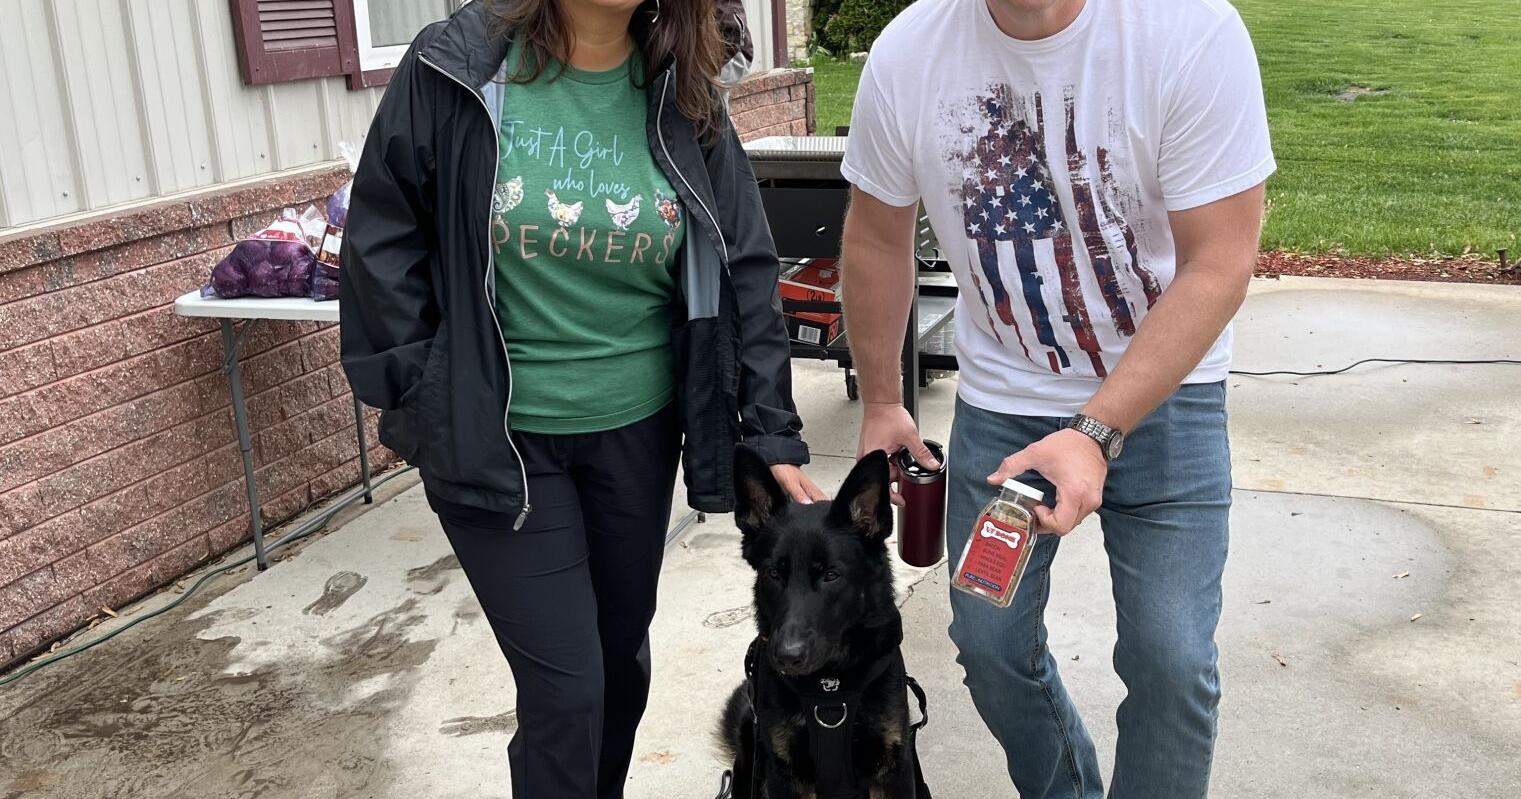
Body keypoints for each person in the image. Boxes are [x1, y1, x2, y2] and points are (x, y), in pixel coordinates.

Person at [338, 0, 824, 796]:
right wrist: (417, 396)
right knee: (567, 689)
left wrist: (770, 430)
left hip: (636, 433)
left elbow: (744, 265)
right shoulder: (456, 66)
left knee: (618, 666)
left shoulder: (683, 92)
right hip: (500, 439)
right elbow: (381, 236)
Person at [837, 0, 1273, 796]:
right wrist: (880, 400)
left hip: (1165, 396)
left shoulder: (1188, 31)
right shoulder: (909, 52)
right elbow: (874, 233)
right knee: (989, 643)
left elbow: (1221, 259)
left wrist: (1094, 429)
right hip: (1006, 399)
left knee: (1171, 659)